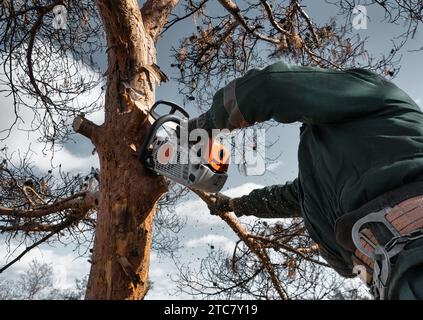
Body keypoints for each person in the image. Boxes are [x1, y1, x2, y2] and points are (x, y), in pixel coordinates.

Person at [188, 61, 423, 300]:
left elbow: (273, 85)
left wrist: (202, 126)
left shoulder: (373, 92)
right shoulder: (324, 166)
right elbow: (283, 199)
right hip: (392, 276)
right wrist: (234, 205)